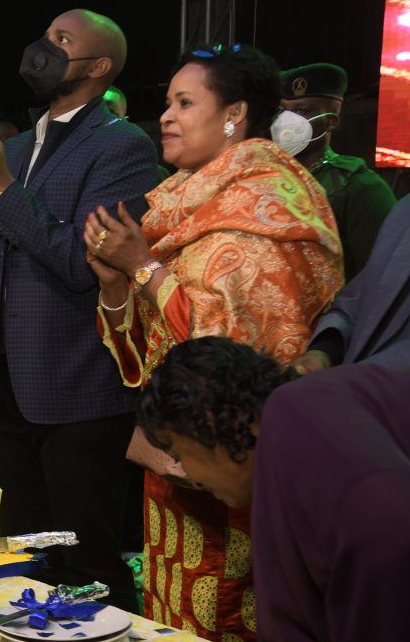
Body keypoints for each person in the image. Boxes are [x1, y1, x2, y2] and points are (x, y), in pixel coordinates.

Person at [85, 44, 343, 639]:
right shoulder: (186, 203)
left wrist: (143, 268)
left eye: (184, 103)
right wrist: (116, 284)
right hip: (174, 457)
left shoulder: (266, 207)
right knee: (169, 615)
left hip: (235, 467)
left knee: (225, 617)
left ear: (234, 114)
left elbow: (229, 362)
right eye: (166, 103)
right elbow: (150, 350)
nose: (166, 117)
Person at [0, 9, 160, 613]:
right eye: (45, 36)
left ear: (98, 66)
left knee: (87, 560)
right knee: (30, 553)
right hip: (5, 384)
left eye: (61, 40)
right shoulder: (13, 147)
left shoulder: (123, 146)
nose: (42, 48)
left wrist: (2, 187)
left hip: (76, 389)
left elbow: (79, 262)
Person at [135, 336, 410, 642]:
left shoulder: (302, 428)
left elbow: (387, 534)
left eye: (178, 454)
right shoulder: (287, 427)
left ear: (207, 422)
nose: (189, 475)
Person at [277, 63, 395, 280]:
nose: (286, 120)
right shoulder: (266, 178)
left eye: (302, 111)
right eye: (282, 110)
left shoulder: (360, 187)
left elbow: (381, 279)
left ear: (331, 122)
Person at [294, 194, 410, 373]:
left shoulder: (367, 191)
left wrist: (354, 379)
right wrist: (324, 351)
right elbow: (358, 300)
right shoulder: (404, 211)